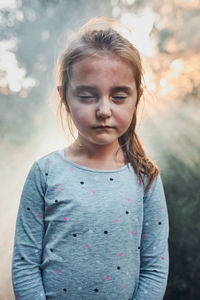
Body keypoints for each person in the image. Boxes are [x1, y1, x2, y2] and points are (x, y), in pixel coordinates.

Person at [12, 16, 169, 300]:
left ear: (137, 98)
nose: (103, 110)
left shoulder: (145, 178)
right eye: (87, 96)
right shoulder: (44, 173)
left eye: (119, 96)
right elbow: (25, 264)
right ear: (65, 98)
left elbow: (154, 266)